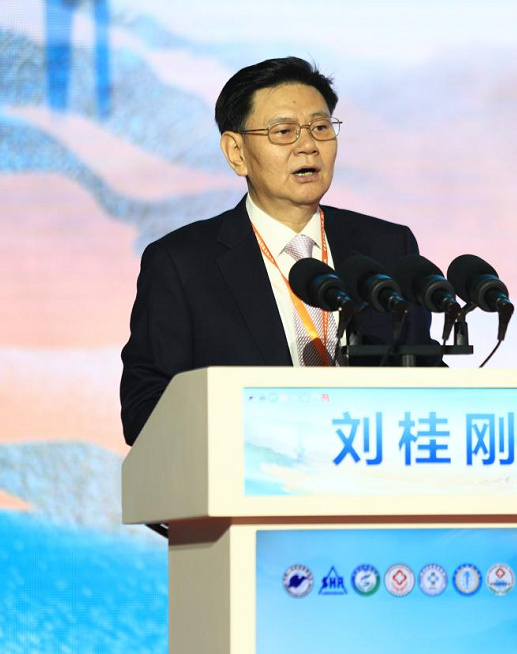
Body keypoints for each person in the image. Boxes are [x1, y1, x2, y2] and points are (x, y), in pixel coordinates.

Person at [119, 57, 438, 446]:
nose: (308, 146)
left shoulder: (388, 248)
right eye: (284, 132)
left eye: (321, 128)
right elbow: (145, 410)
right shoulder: (182, 264)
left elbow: (426, 378)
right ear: (236, 152)